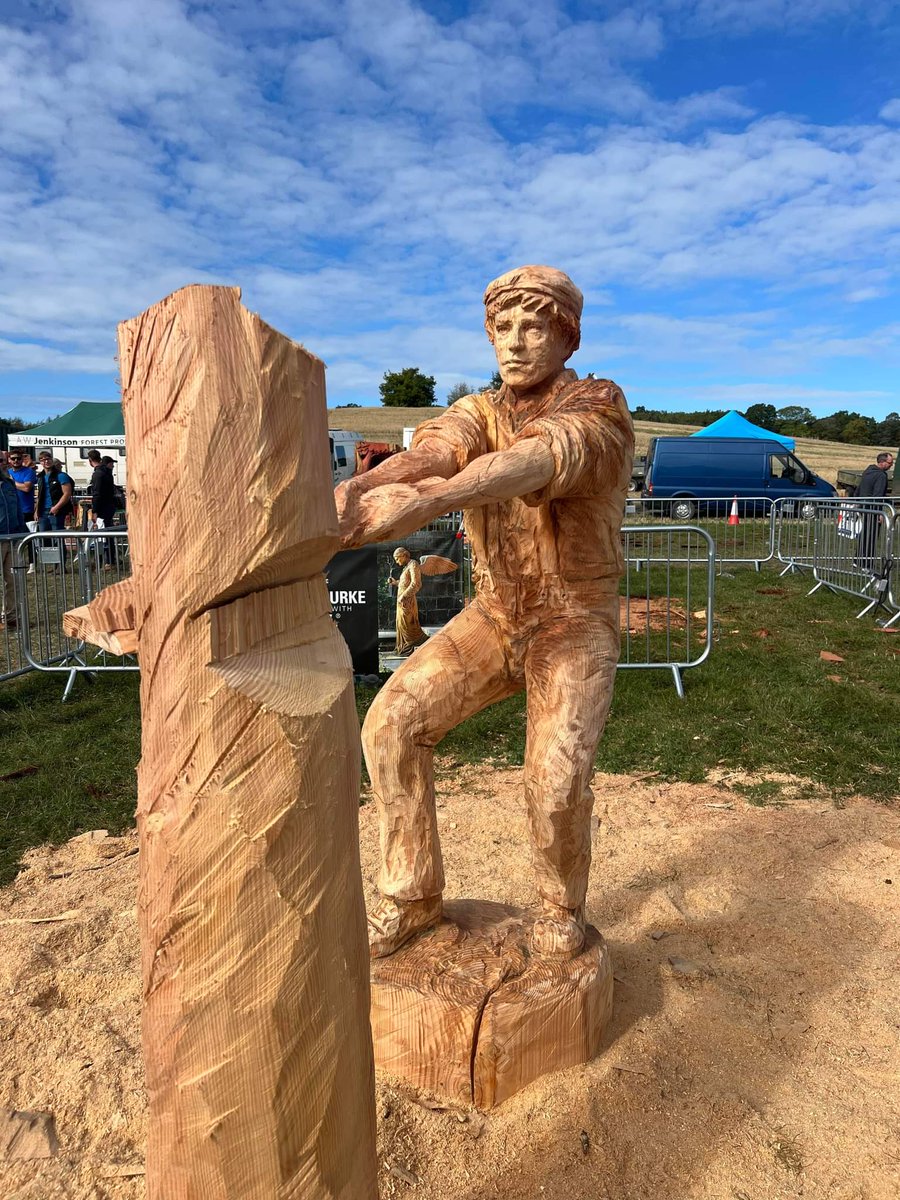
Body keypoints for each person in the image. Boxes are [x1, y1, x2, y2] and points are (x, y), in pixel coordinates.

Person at [336, 265, 633, 959]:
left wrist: (433, 501)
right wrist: (353, 498)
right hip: (497, 612)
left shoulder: (599, 405)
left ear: (566, 337)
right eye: (503, 328)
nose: (515, 343)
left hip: (573, 617)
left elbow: (538, 460)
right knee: (393, 722)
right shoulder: (480, 410)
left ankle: (560, 904)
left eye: (533, 327)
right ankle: (412, 896)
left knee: (556, 777)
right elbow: (433, 451)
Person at [855, 451, 894, 570]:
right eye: (890, 463)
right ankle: (867, 564)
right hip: (873, 510)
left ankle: (857, 560)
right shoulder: (881, 476)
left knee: (864, 534)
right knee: (871, 536)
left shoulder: (867, 471)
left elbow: (859, 488)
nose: (891, 465)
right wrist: (879, 513)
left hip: (863, 507)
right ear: (882, 462)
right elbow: (878, 495)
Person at [0, 451, 25, 628]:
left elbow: (17, 510)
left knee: (13, 579)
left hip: (13, 537)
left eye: (2, 460)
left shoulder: (9, 484)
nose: (1, 464)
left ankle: (9, 617)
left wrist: (23, 534)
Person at [390, 547, 428, 655]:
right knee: (401, 624)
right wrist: (395, 582)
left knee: (409, 626)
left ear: (404, 555)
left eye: (397, 559)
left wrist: (404, 596)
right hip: (402, 602)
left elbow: (416, 584)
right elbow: (404, 583)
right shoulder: (407, 566)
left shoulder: (413, 564)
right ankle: (402, 647)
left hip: (408, 602)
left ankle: (412, 646)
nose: (397, 562)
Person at [35, 452, 74, 532]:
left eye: (48, 459)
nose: (46, 461)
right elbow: (40, 494)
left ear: (51, 460)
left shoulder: (61, 475)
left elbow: (67, 493)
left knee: (57, 537)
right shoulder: (40, 477)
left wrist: (56, 507)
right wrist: (36, 510)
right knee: (44, 538)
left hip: (56, 511)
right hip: (42, 511)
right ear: (40, 462)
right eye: (43, 460)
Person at [8, 449, 36, 525]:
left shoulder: (29, 471)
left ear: (22, 459)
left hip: (25, 510)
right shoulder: (7, 472)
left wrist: (11, 481)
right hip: (11, 510)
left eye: (18, 458)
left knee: (26, 535)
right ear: (9, 460)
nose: (16, 460)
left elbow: (26, 488)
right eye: (13, 458)